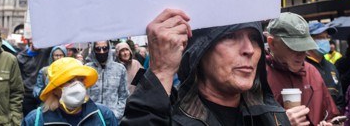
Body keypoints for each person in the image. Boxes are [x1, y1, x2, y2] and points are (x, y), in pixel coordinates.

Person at [120, 8, 290, 125]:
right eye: (230, 36)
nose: (249, 49)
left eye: (254, 38)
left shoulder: (275, 119)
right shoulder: (171, 120)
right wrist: (161, 71)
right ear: (200, 51)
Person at [265, 12, 342, 126]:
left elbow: (331, 115)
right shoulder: (257, 76)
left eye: (305, 46)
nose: (301, 54)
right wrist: (280, 123)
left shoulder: (312, 71)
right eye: (294, 47)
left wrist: (332, 123)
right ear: (272, 43)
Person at [22, 57, 118, 126]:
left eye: (80, 79)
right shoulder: (35, 120)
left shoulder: (104, 115)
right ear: (55, 89)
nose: (77, 85)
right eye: (69, 81)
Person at [306, 21, 345, 113]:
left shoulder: (331, 67)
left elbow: (340, 99)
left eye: (327, 37)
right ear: (308, 40)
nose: (325, 41)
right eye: (320, 38)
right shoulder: (302, 66)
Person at [85, 40, 128, 120]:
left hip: (113, 118)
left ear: (109, 49)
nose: (102, 52)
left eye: (105, 48)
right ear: (94, 50)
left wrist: (117, 114)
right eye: (98, 49)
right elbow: (84, 94)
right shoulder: (87, 69)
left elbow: (123, 95)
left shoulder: (120, 69)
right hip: (91, 117)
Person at [17, 40, 52, 116]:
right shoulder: (21, 57)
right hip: (27, 94)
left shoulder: (44, 53)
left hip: (41, 92)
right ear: (30, 41)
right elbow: (18, 76)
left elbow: (53, 41)